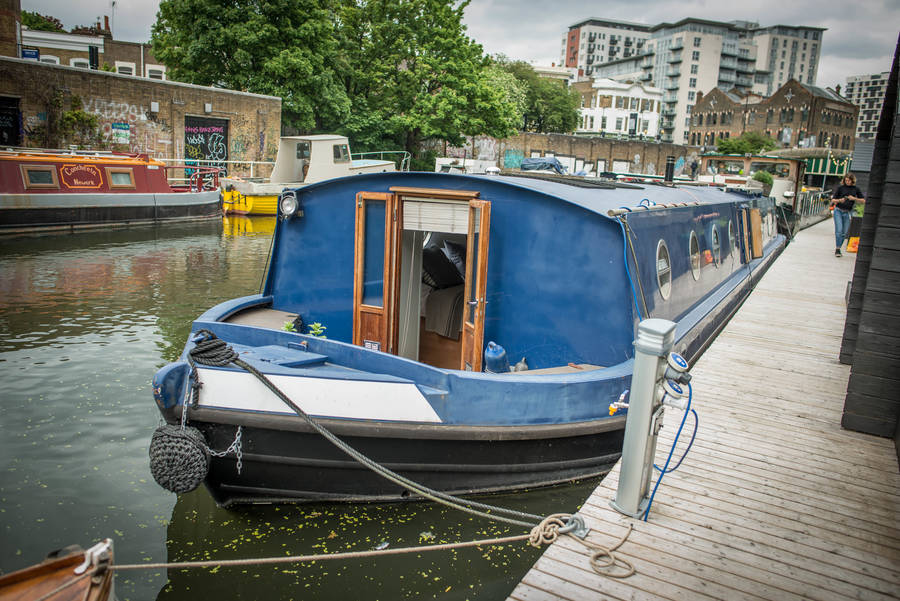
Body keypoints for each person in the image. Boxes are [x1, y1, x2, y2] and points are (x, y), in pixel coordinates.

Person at [830, 173, 865, 257]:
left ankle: (838, 247)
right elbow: (833, 200)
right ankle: (838, 249)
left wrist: (854, 199)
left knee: (844, 233)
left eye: (849, 180)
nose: (847, 182)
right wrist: (839, 200)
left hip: (848, 212)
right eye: (846, 180)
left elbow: (863, 200)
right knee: (839, 230)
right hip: (838, 211)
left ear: (852, 180)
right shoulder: (840, 188)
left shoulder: (856, 189)